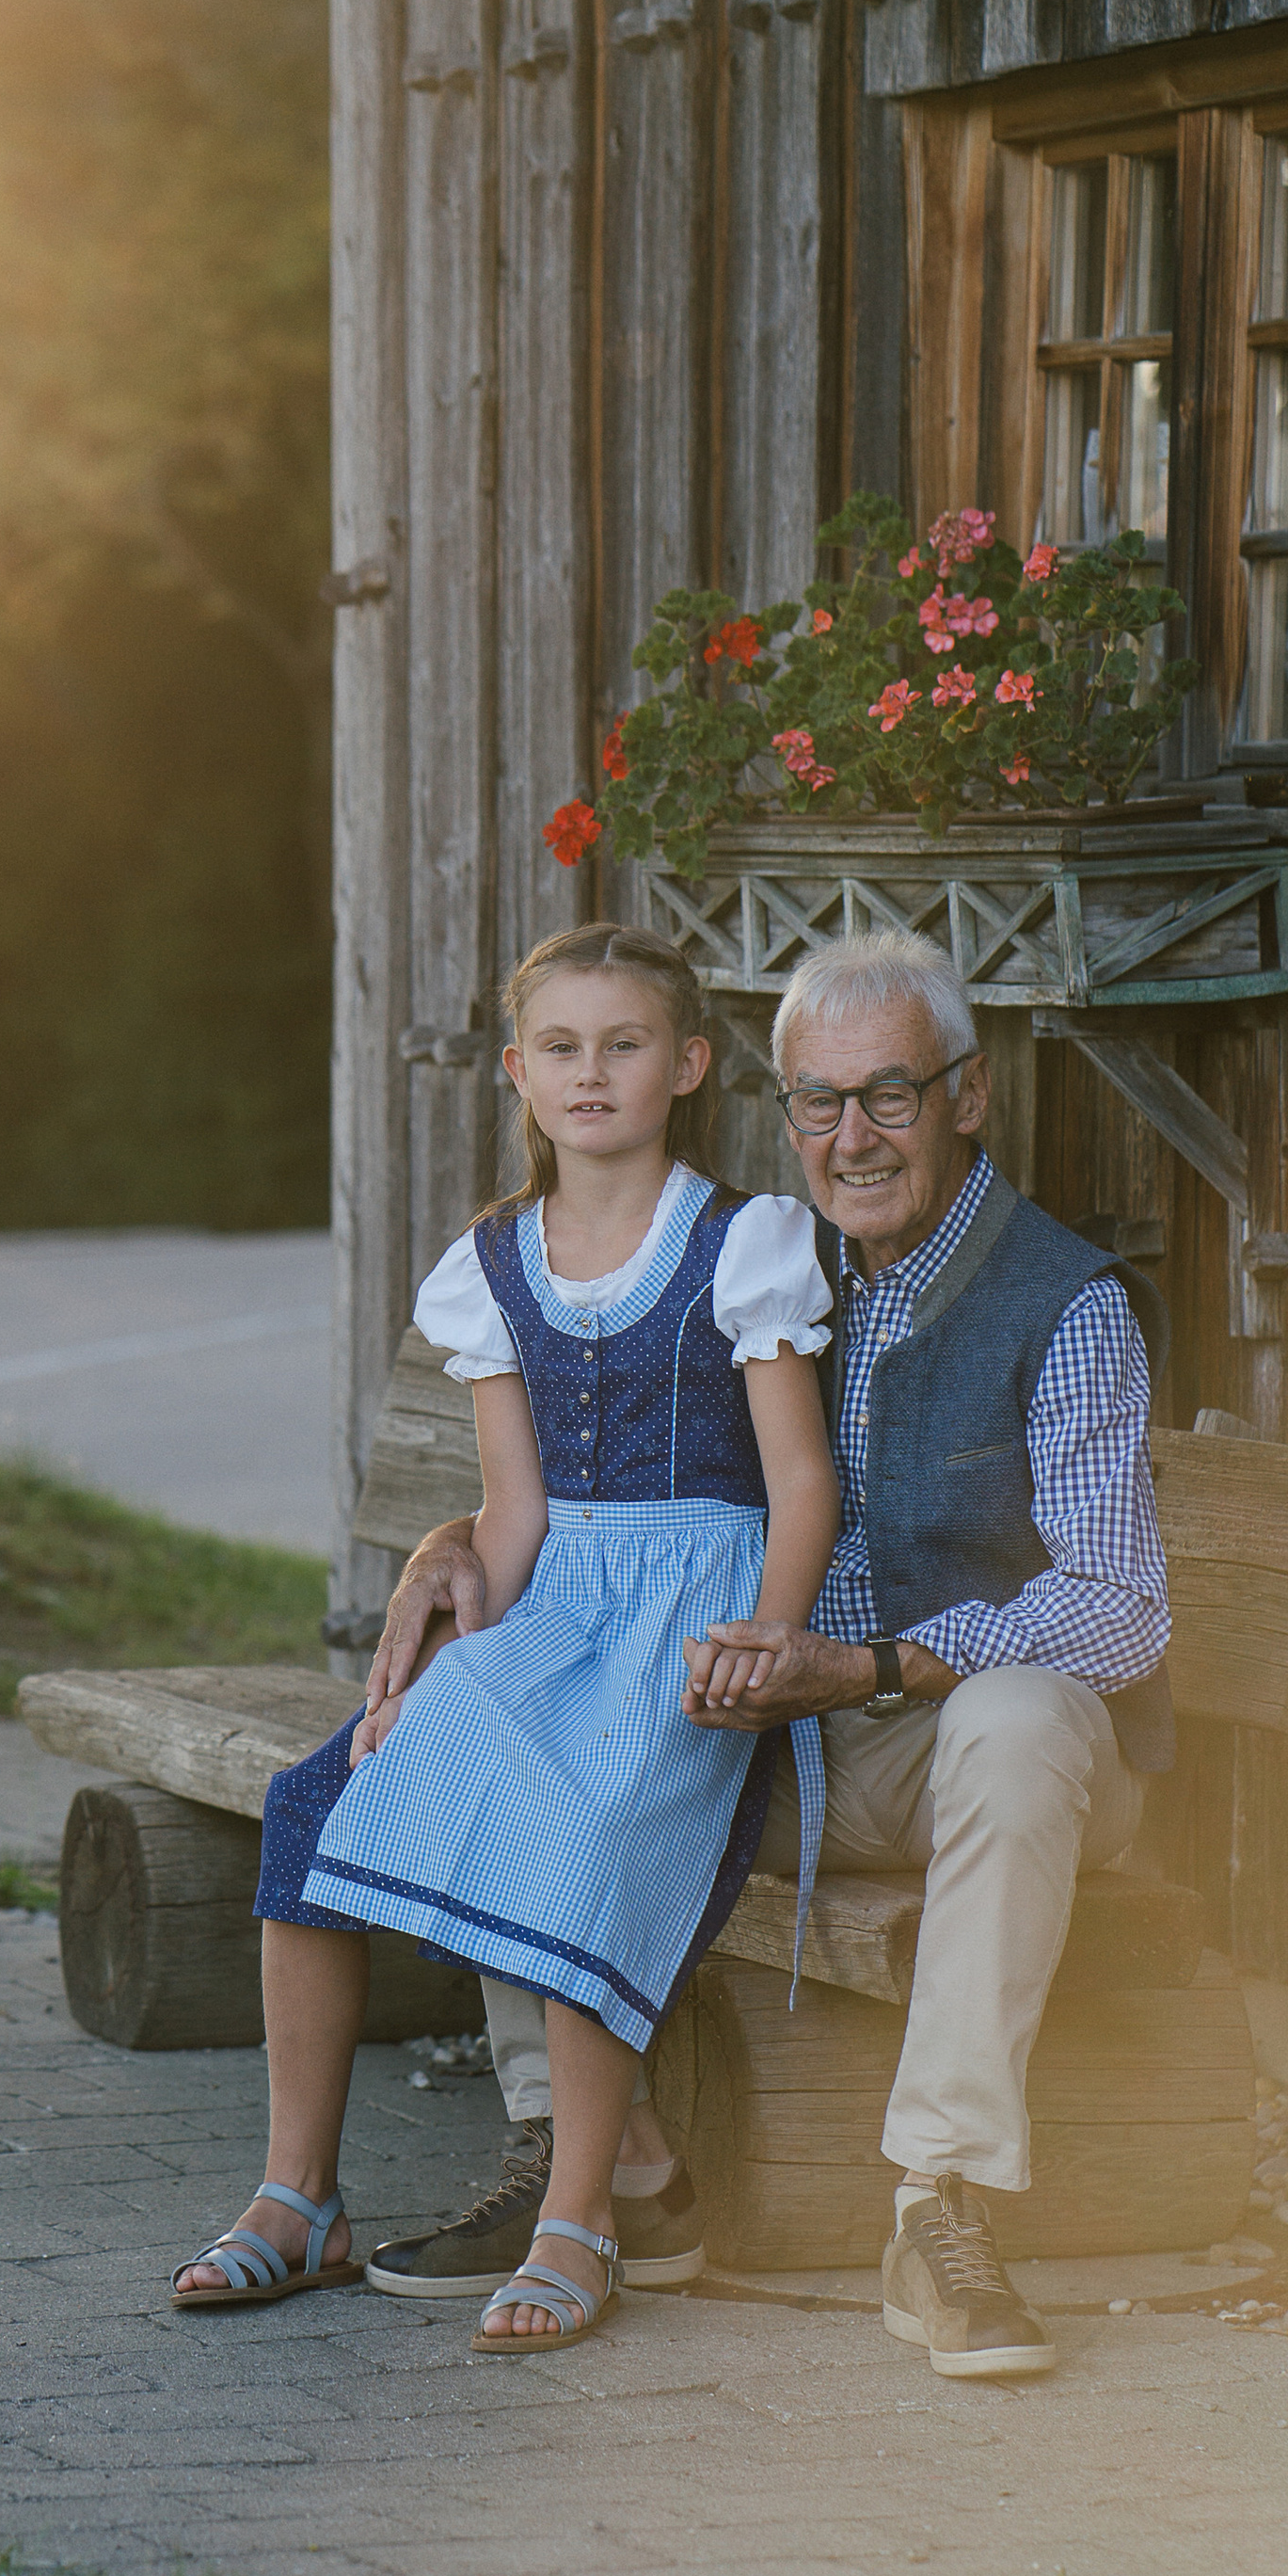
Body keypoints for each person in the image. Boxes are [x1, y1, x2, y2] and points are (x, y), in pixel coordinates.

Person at [367, 926, 1172, 2381]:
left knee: (1026, 1716)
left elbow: (1122, 1607)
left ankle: (943, 2205)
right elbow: (597, 1488)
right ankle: (603, 2167)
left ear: (967, 1098)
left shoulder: (1065, 1303)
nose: (851, 1138)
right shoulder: (754, 1265)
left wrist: (875, 1669)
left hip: (949, 1761)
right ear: (780, 1106)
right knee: (508, 1695)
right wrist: (452, 1547)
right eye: (818, 1100)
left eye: (891, 1097)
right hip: (765, 1747)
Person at [169, 922, 840, 2353]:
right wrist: (447, 1649)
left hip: (697, 1618)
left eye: (624, 1044)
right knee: (320, 1795)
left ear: (688, 1065)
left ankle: (581, 2216)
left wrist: (771, 1641)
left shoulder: (745, 1242)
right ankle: (301, 2195)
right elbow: (514, 1509)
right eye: (559, 1047)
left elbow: (800, 1485)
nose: (590, 1073)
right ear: (519, 1076)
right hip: (561, 1606)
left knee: (587, 1831)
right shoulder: (492, 1264)